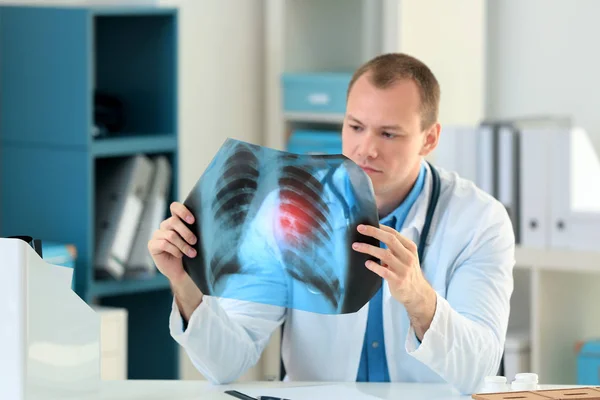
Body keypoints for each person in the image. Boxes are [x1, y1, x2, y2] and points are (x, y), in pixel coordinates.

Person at [148, 52, 515, 394]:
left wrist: (420, 300)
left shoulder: (478, 221)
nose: (365, 149)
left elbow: (479, 372)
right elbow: (226, 363)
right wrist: (184, 284)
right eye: (356, 126)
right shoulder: (288, 209)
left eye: (388, 134)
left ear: (429, 138)